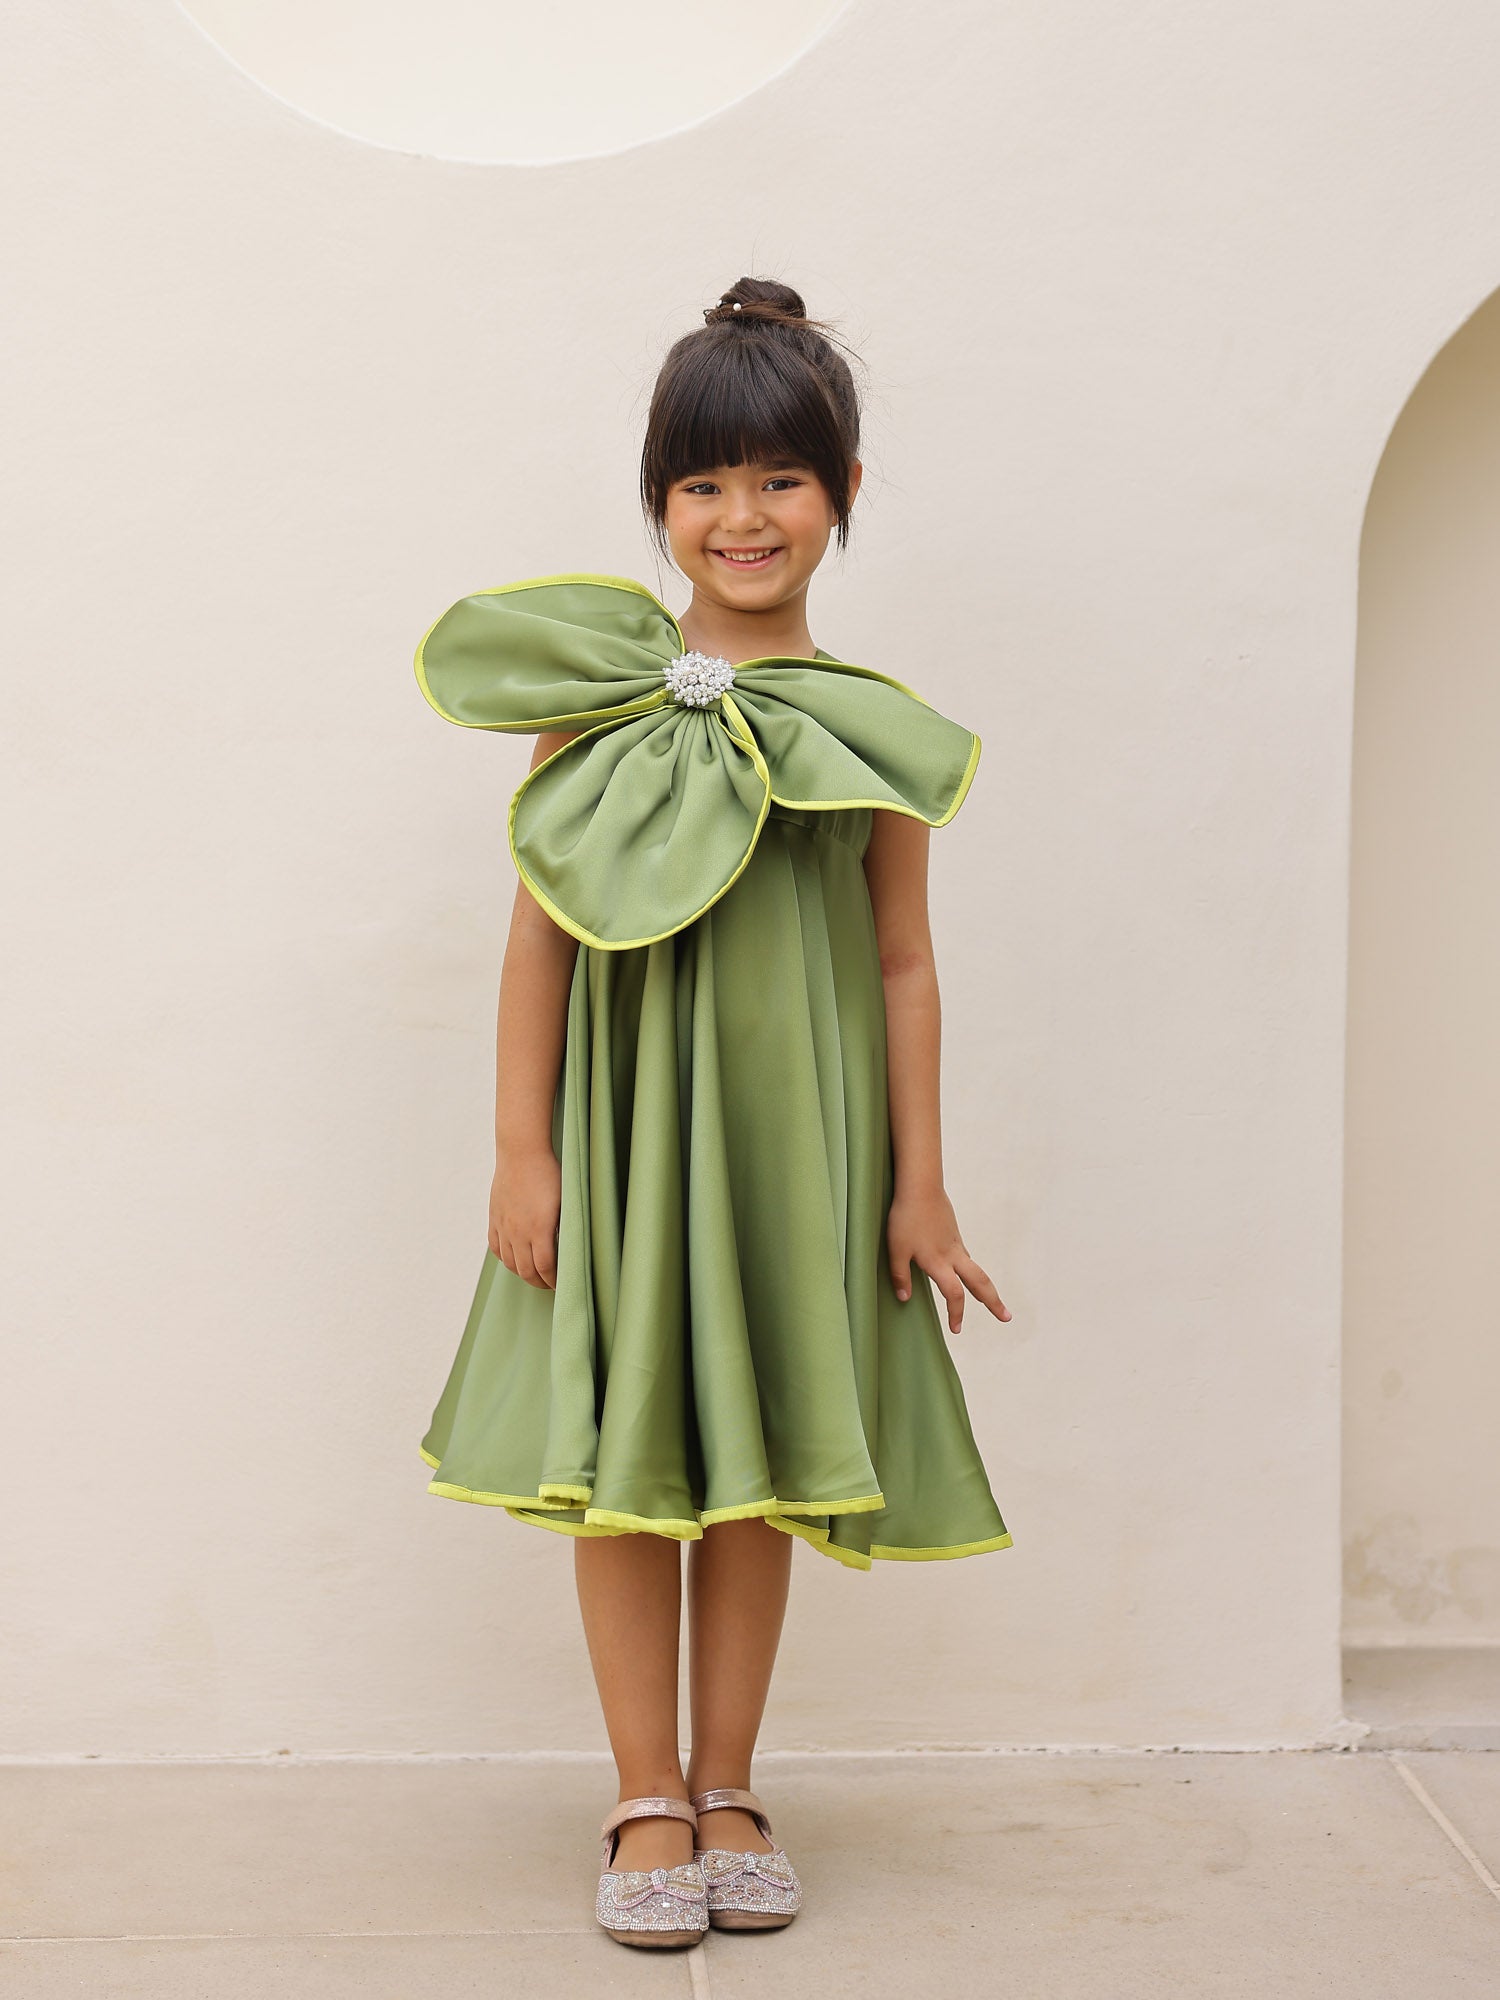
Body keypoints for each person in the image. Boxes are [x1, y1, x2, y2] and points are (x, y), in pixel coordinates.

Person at [412, 276, 1015, 1950]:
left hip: (791, 1151)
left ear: (843, 498)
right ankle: (642, 1792)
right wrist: (521, 1145)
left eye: (781, 481)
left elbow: (903, 964)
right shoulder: (596, 697)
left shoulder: (874, 730)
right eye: (705, 484)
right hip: (621, 1136)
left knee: (753, 1470)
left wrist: (922, 1186)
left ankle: (733, 1779)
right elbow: (540, 920)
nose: (742, 518)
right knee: (627, 1458)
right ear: (661, 504)